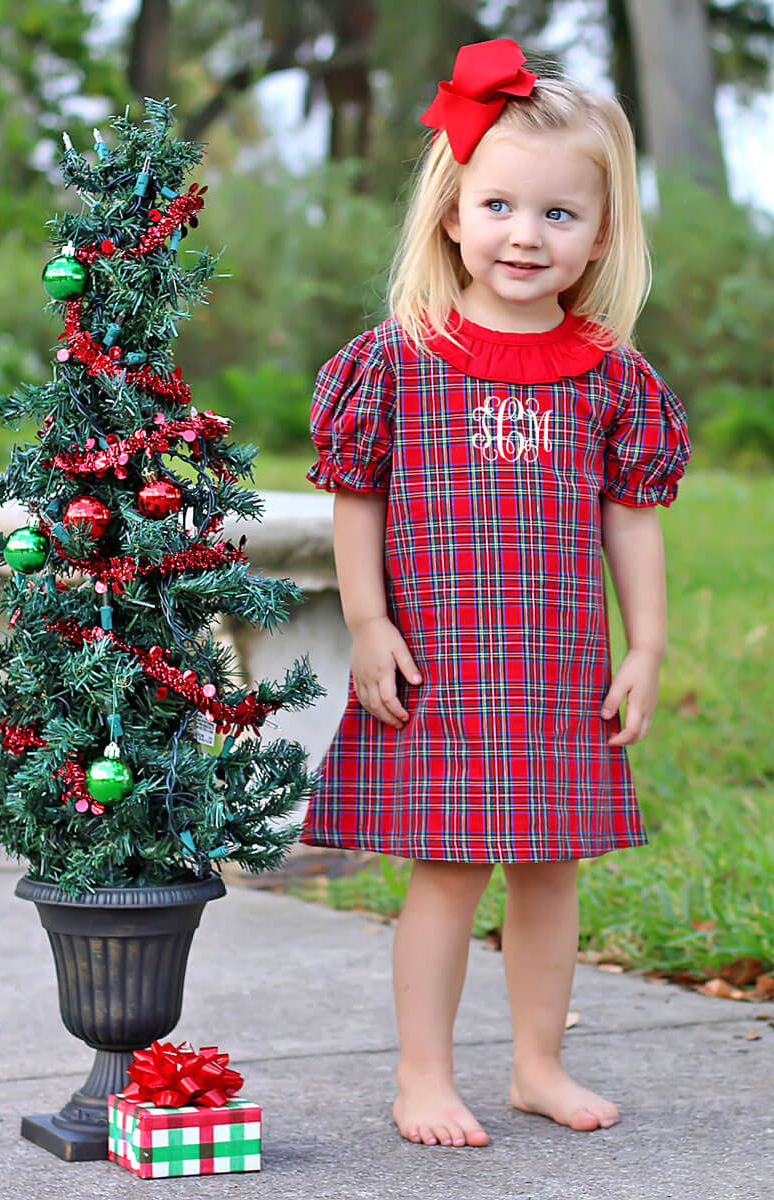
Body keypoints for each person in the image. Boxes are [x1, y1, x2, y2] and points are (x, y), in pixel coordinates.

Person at [299, 37, 692, 1149]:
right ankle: (422, 1074)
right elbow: (357, 499)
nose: (527, 233)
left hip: (557, 666)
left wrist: (647, 647)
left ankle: (536, 1063)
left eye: (560, 214)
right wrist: (368, 623)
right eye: (502, 205)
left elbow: (632, 517)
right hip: (441, 664)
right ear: (453, 215)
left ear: (601, 234)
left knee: (550, 872)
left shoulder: (612, 377)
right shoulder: (400, 359)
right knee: (445, 872)